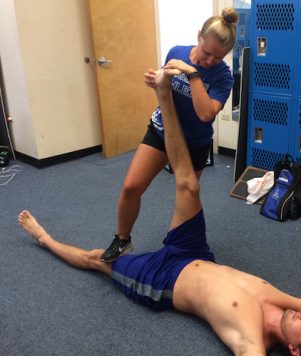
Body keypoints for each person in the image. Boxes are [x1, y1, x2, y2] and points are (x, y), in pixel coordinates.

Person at [18, 68, 301, 356]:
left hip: (164, 279)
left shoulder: (250, 340)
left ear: (295, 349)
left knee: (99, 260)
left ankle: (45, 238)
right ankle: (163, 95)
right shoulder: (297, 303)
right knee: (188, 183)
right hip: (194, 253)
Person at [100, 7, 238, 263]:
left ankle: (179, 248)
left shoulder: (223, 77)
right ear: (199, 37)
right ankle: (122, 239)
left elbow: (205, 114)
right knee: (131, 186)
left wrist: (193, 73)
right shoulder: (176, 52)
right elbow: (165, 86)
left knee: (185, 196)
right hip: (162, 130)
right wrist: (155, 80)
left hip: (193, 144)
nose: (210, 61)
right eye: (207, 53)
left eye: (217, 58)